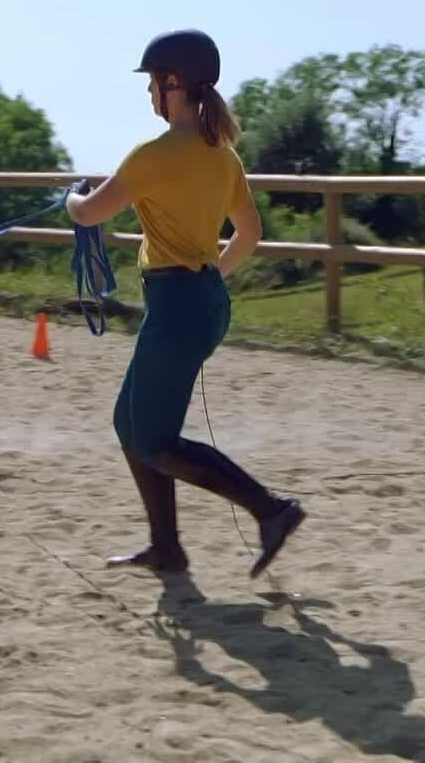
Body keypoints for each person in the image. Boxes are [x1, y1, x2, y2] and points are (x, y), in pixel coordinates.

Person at [66, 29, 306, 578]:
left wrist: (70, 197)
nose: (150, 92)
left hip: (177, 305)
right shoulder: (223, 157)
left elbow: (89, 215)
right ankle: (166, 547)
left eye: (153, 82)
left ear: (172, 84)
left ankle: (271, 510)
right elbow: (249, 234)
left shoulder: (153, 155)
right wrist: (207, 279)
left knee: (151, 436)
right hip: (201, 301)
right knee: (131, 425)